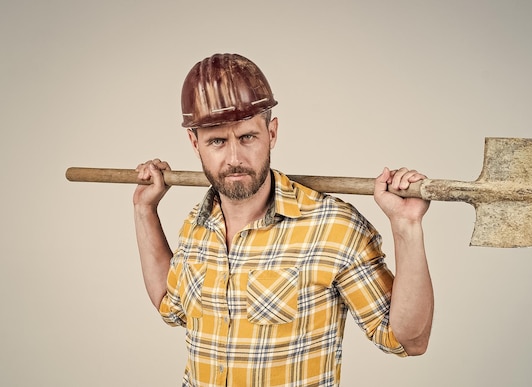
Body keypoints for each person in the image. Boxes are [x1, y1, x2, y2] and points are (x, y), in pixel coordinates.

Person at [133, 53, 434, 387]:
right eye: (217, 141)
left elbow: (409, 340)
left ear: (271, 133)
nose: (234, 159)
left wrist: (406, 227)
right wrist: (145, 211)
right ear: (195, 144)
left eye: (247, 137)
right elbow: (169, 306)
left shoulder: (332, 228)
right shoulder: (198, 224)